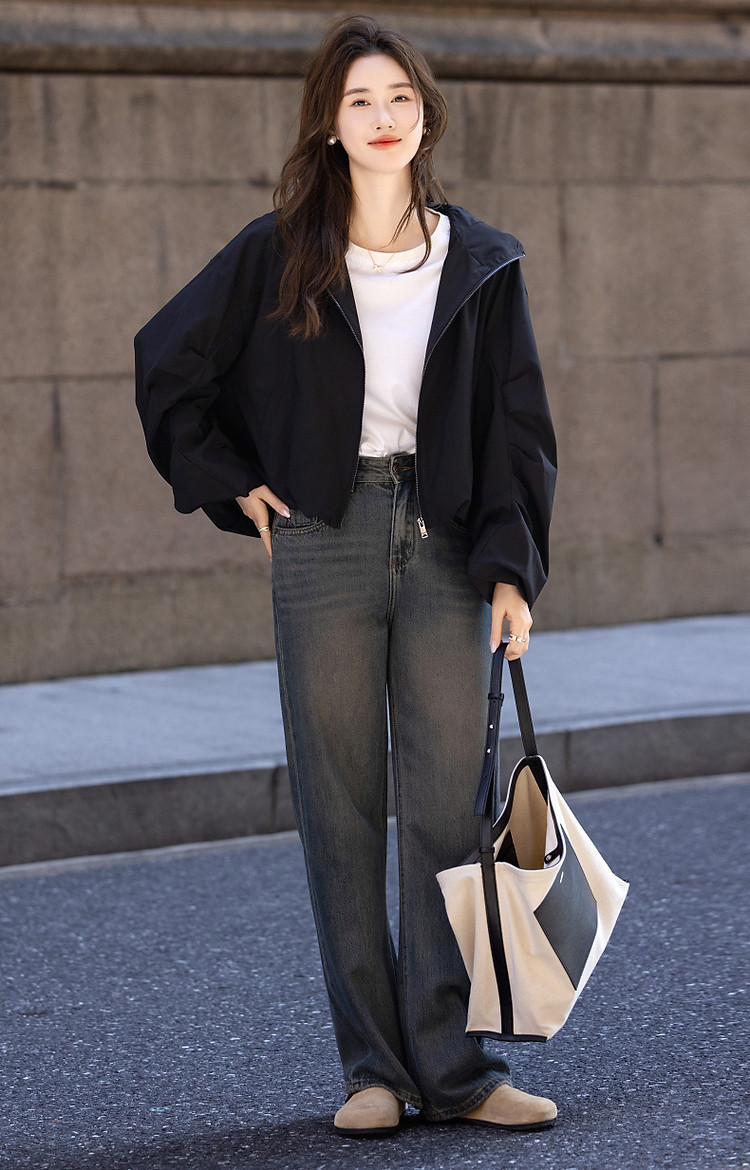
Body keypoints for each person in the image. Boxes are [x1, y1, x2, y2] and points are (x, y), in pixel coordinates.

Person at [135, 13, 557, 1139]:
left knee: (444, 808)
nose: (383, 118)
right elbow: (167, 365)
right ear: (330, 121)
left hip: (447, 540)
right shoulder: (278, 254)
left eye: (401, 99)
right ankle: (372, 1069)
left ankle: (455, 1070)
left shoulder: (480, 260)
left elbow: (518, 427)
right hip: (323, 537)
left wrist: (513, 569)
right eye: (361, 100)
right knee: (341, 808)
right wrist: (237, 487)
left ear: (427, 117)